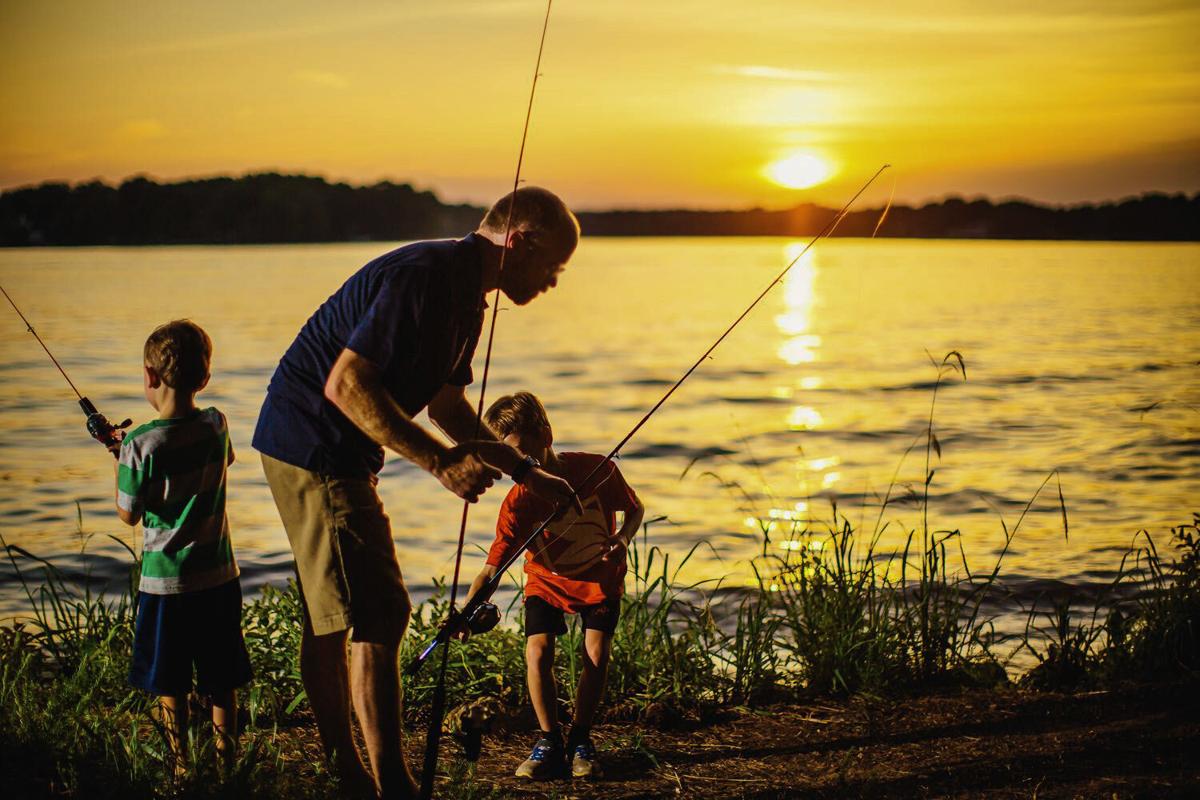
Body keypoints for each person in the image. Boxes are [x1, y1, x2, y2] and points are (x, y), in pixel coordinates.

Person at [252, 187, 582, 799]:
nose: (554, 281)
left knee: (336, 614)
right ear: (519, 242)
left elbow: (448, 407)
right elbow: (346, 384)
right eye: (553, 265)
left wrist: (525, 471)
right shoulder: (425, 275)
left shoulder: (468, 298)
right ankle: (389, 786)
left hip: (328, 447)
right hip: (313, 442)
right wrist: (439, 463)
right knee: (379, 611)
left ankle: (352, 778)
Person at [462, 391, 644, 780]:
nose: (516, 466)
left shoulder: (598, 470)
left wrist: (623, 539)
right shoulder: (517, 502)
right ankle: (549, 741)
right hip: (546, 582)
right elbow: (492, 569)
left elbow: (635, 508)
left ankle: (580, 738)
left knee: (596, 653)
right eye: (506, 458)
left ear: (545, 435)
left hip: (599, 579)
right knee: (537, 651)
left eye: (520, 454)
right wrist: (464, 611)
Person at [116, 320, 252, 776]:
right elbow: (221, 459)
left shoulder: (139, 444)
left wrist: (121, 458)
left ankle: (180, 768)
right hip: (219, 577)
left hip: (166, 585)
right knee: (222, 676)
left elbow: (129, 513)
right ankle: (227, 766)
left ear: (150, 376)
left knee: (170, 679)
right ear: (205, 378)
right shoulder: (216, 423)